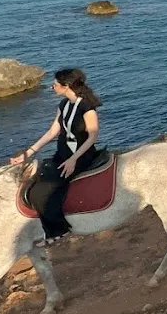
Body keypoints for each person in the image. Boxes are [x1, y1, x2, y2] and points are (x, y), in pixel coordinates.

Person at [8, 68, 103, 247]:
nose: (52, 88)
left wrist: (74, 159)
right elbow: (52, 132)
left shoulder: (87, 107)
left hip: (81, 156)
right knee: (35, 186)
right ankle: (50, 228)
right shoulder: (64, 105)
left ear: (66, 86)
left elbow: (92, 136)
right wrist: (28, 153)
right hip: (63, 154)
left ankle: (59, 230)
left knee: (43, 193)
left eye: (55, 85)